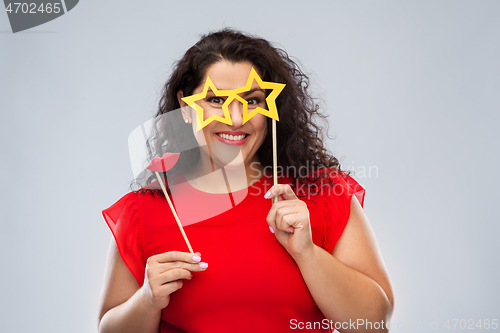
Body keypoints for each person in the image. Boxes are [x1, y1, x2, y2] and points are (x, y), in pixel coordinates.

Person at [98, 29, 394, 333]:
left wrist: (308, 254)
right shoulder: (144, 210)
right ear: (186, 108)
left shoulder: (320, 192)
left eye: (251, 101)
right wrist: (147, 299)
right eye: (216, 100)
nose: (236, 119)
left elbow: (374, 324)